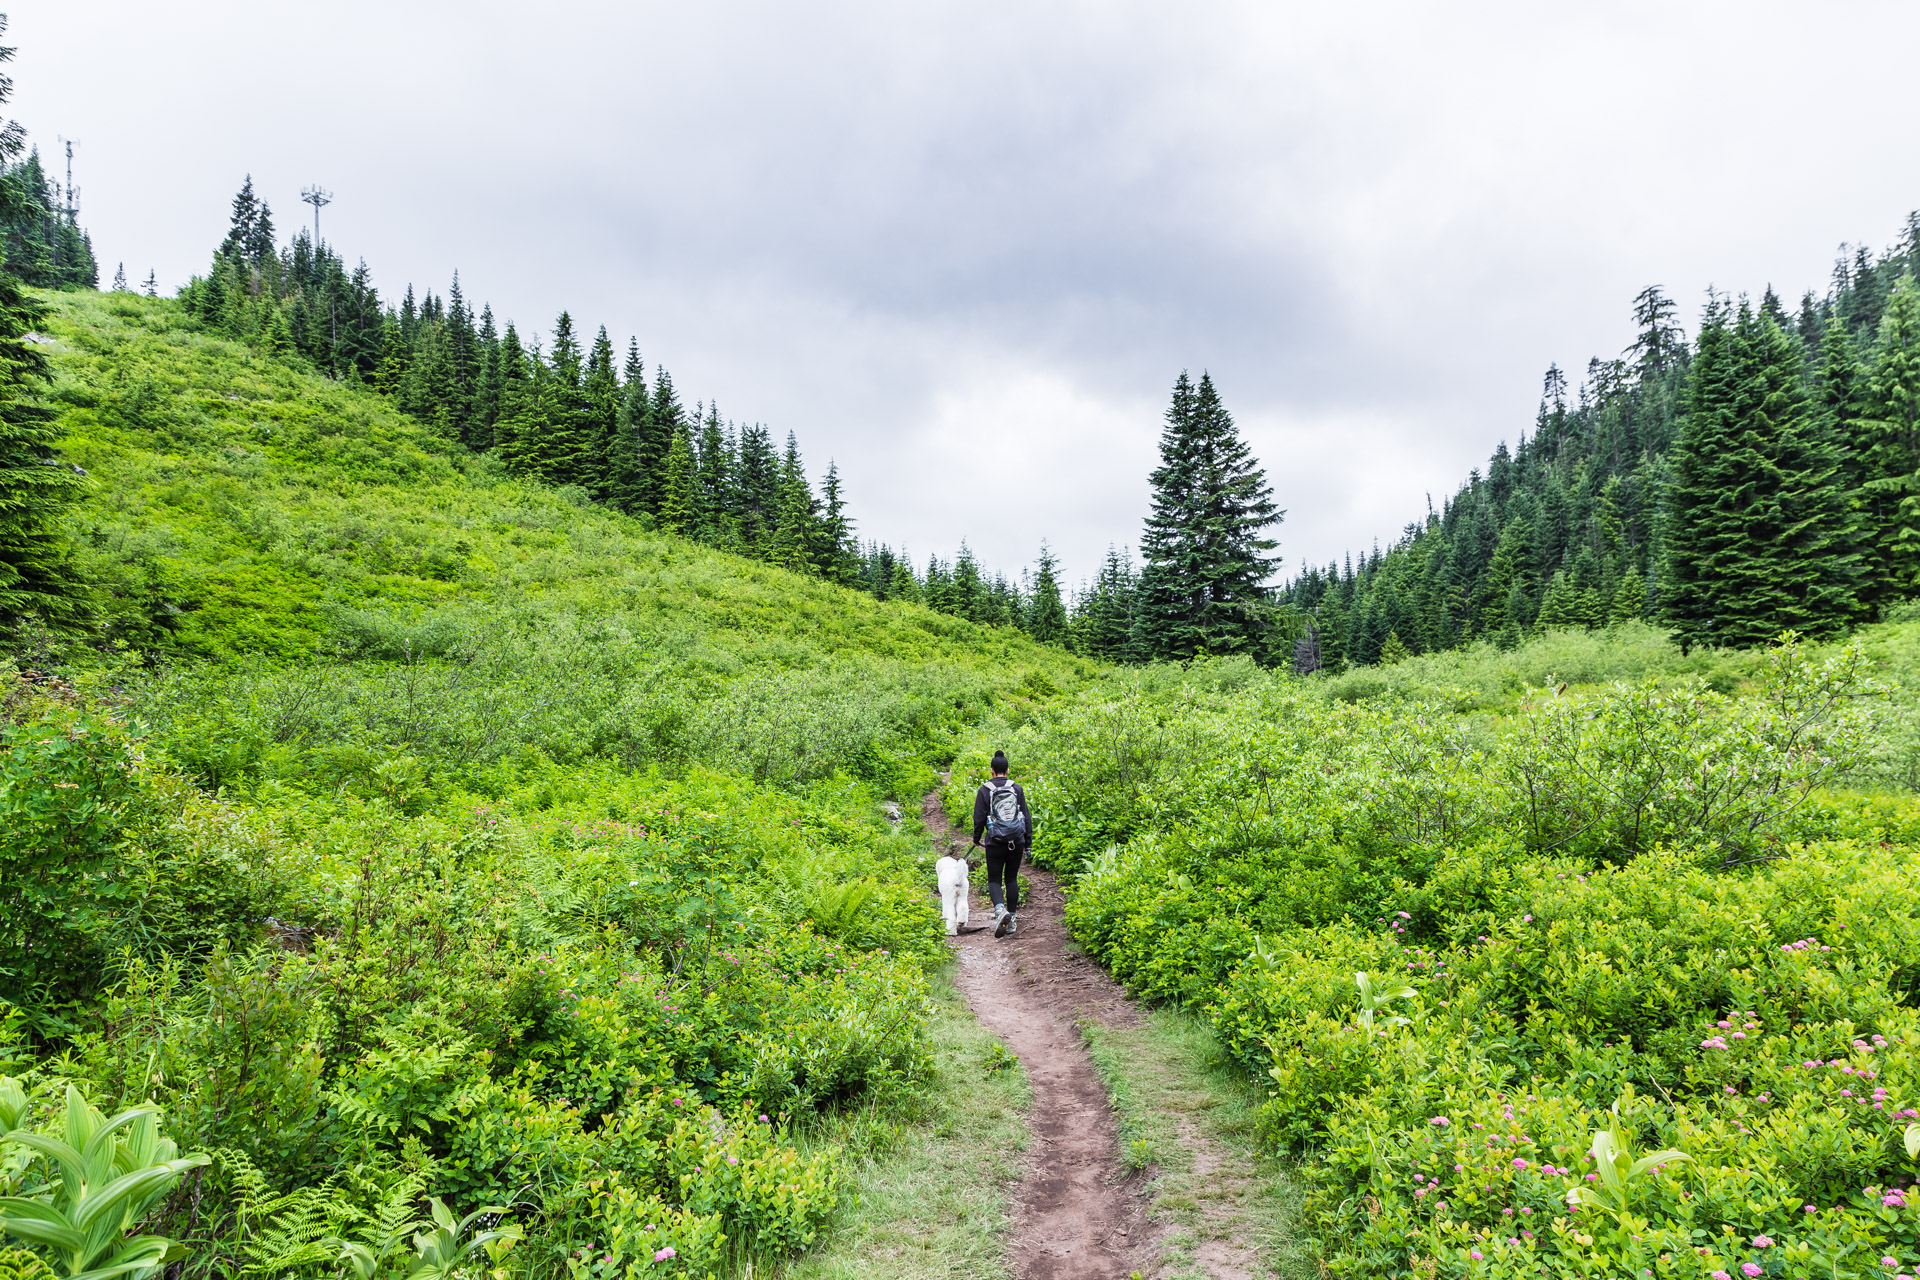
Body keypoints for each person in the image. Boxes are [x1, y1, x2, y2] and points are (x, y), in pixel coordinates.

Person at [971, 750, 1032, 938]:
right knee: (1011, 879)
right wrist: (1027, 843)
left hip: (995, 841)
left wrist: (976, 838)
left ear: (991, 770)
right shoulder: (1016, 788)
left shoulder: (985, 789)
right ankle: (1011, 920)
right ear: (1007, 770)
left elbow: (979, 818)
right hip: (1016, 839)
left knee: (994, 880)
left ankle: (999, 911)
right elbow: (1026, 817)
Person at [936, 843, 971, 936]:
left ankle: (950, 928)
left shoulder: (943, 874)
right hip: (961, 879)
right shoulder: (958, 872)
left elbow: (946, 903)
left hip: (948, 882)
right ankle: (962, 918)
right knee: (962, 899)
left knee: (948, 904)